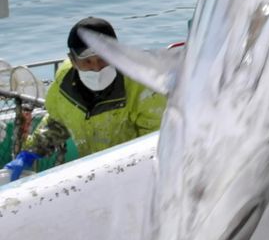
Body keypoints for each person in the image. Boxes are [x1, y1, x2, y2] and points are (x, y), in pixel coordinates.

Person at [3, 17, 167, 181]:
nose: (96, 68)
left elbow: (157, 143)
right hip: (92, 171)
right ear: (73, 60)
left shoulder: (143, 87)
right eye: (87, 61)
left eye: (103, 59)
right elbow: (58, 120)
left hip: (138, 173)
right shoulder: (64, 82)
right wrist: (30, 153)